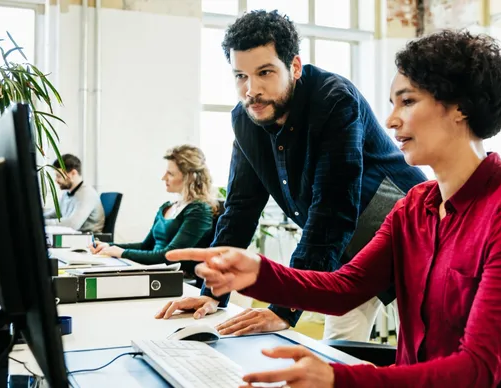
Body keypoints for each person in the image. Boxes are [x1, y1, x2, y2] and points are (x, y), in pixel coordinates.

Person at [165, 30, 501, 387]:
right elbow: (345, 288)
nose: (390, 120)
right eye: (392, 103)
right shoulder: (416, 207)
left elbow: (477, 369)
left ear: (459, 107)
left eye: (406, 102)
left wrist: (341, 379)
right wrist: (256, 273)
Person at [155, 10, 427, 341]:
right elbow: (240, 208)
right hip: (343, 255)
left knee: (430, 348)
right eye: (240, 75)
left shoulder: (332, 98)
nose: (251, 90)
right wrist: (213, 292)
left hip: (408, 239)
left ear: (294, 67)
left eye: (264, 72)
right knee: (339, 352)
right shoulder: (246, 119)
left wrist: (283, 308)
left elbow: (332, 208)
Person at [90, 145, 217, 276]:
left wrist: (121, 252)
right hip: (155, 271)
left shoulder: (199, 211)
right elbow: (146, 246)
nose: (163, 178)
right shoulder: (167, 207)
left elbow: (168, 256)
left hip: (175, 278)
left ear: (189, 178)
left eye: (171, 174)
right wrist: (109, 246)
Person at [43, 154, 105, 233]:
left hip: (88, 240)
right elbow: (54, 214)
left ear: (73, 173)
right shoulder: (67, 194)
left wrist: (42, 223)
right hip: (73, 237)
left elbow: (72, 224)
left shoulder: (87, 194)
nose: (56, 180)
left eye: (59, 176)